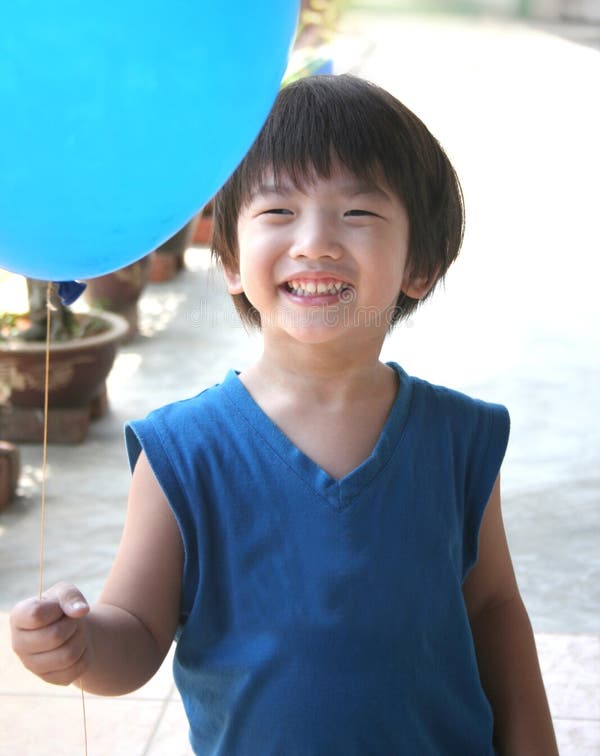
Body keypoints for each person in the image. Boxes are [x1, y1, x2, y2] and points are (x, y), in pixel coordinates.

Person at [10, 75, 558, 755]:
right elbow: (138, 632)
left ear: (421, 265)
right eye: (277, 212)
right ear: (232, 260)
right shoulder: (183, 452)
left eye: (357, 213)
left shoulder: (459, 439)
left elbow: (492, 609)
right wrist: (81, 644)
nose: (315, 243)